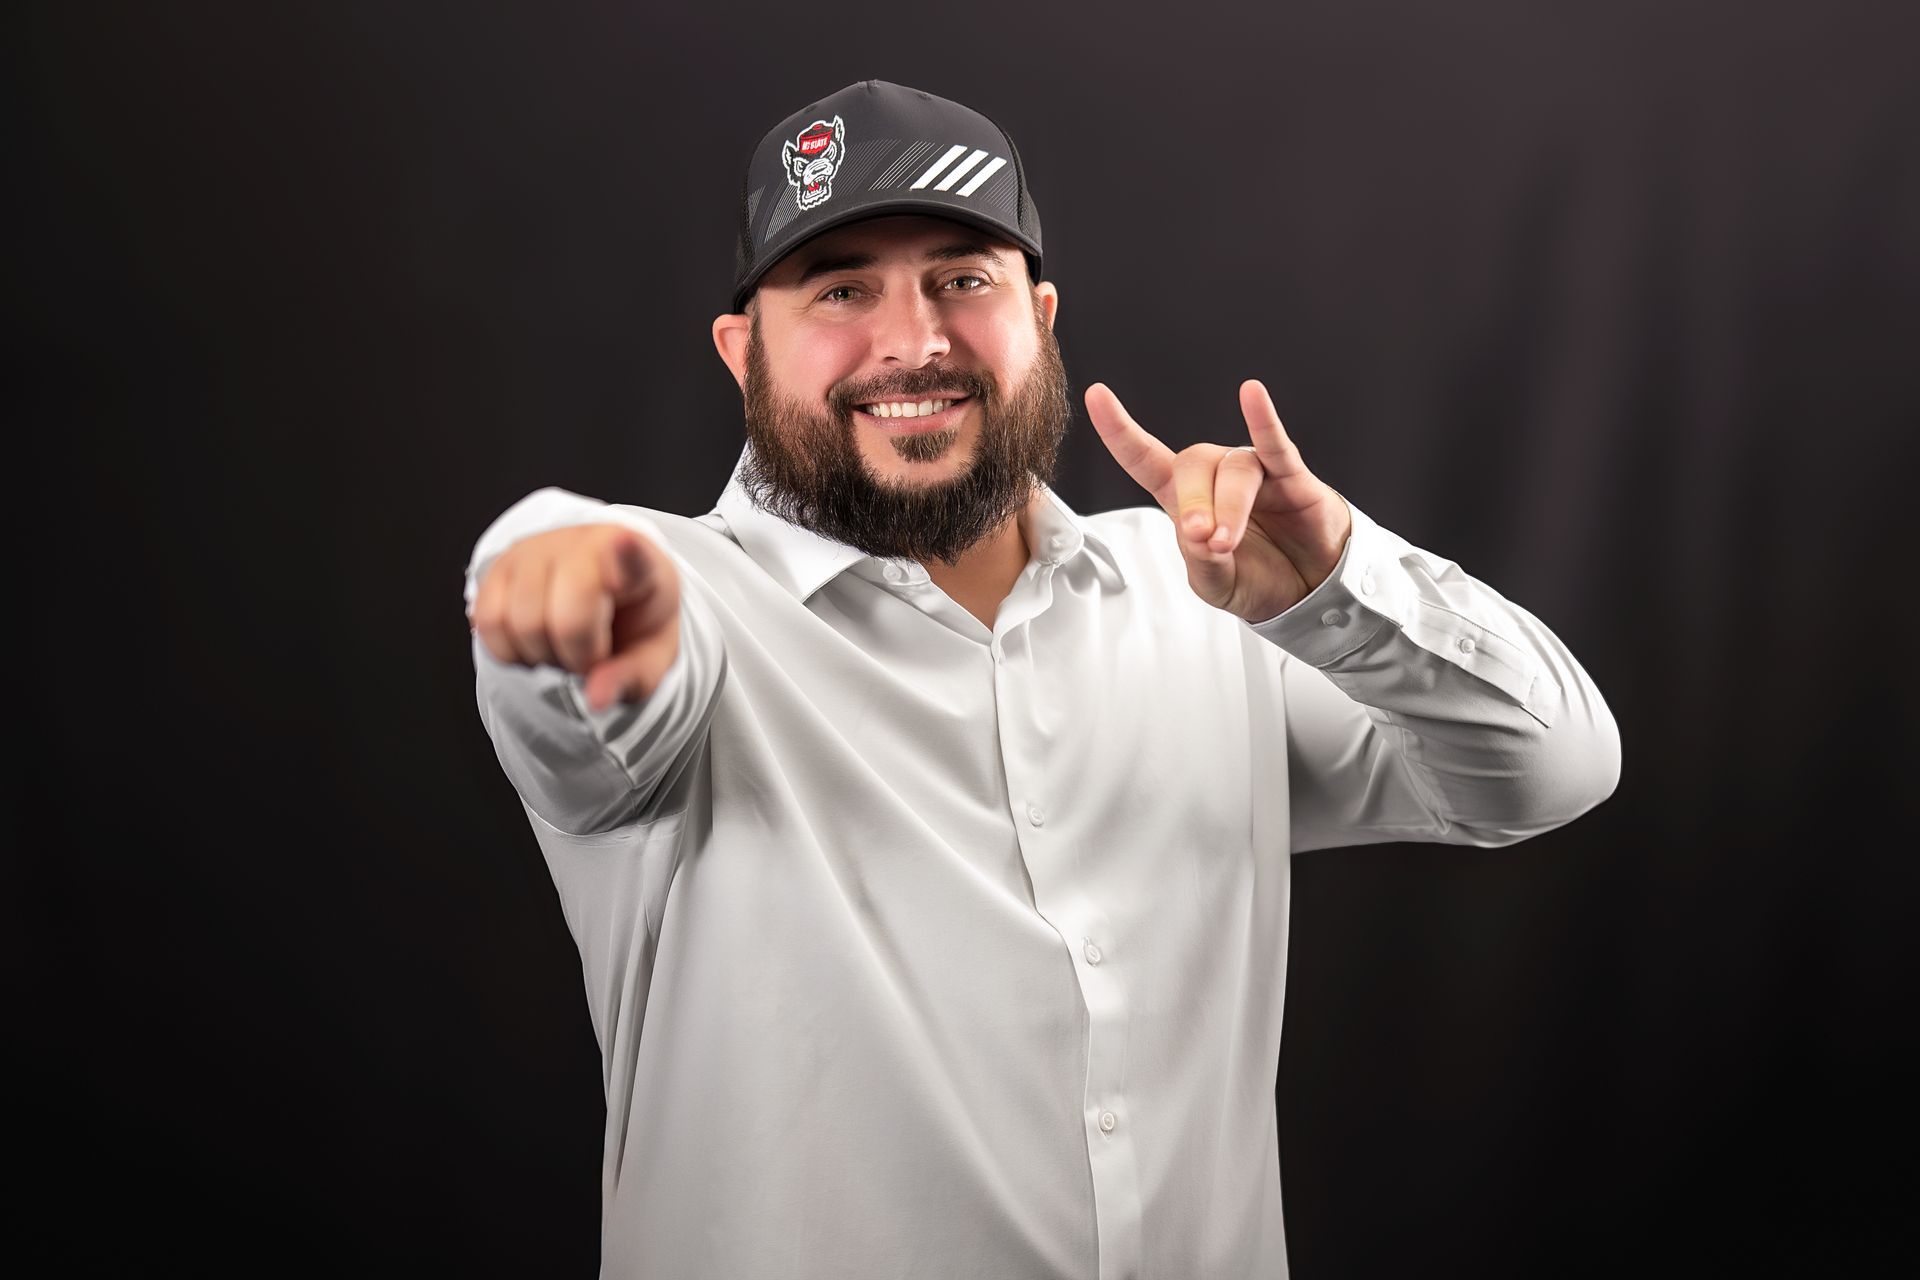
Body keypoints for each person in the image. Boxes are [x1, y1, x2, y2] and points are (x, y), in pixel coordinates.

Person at [462, 79, 1620, 1280]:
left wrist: (1333, 586)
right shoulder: (684, 600)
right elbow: (582, 690)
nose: (914, 339)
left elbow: (1549, 769)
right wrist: (555, 576)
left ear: (1042, 317)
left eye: (963, 278)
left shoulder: (1205, 593)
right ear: (742, 346)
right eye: (841, 288)